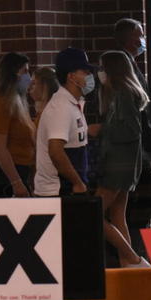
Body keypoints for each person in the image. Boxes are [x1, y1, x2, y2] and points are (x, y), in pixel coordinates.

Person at [94, 51, 151, 267]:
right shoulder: (121, 94)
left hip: (118, 165)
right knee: (118, 215)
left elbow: (131, 131)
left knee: (93, 213)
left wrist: (101, 130)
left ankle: (133, 259)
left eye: (102, 66)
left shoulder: (123, 94)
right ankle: (127, 266)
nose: (99, 72)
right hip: (125, 165)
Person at [112, 18, 151, 251]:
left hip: (135, 144)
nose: (143, 39)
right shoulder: (125, 66)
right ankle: (134, 248)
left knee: (130, 201)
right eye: (140, 35)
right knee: (145, 194)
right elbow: (139, 113)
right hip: (134, 145)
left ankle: (132, 247)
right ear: (131, 39)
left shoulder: (128, 64)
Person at [34, 48, 97, 197]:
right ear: (71, 76)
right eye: (85, 72)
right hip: (59, 191)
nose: (90, 77)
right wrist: (77, 183)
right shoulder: (60, 107)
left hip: (69, 188)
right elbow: (56, 151)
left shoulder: (73, 103)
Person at [0, 52, 35, 198]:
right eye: (25, 71)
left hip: (17, 171)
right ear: (12, 74)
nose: (29, 78)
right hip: (2, 177)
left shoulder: (17, 102)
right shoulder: (0, 104)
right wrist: (16, 182)